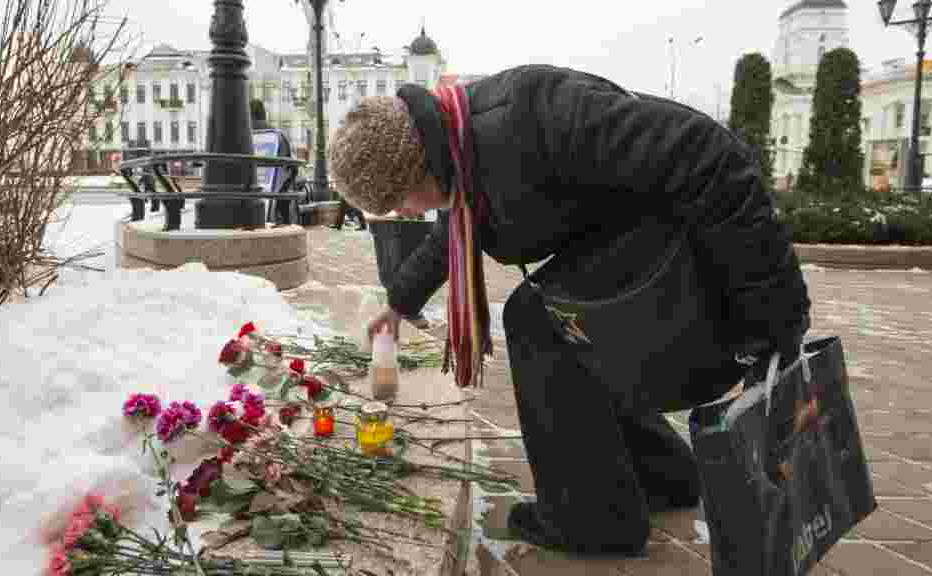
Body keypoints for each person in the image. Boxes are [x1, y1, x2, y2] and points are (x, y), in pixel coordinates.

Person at [329, 64, 811, 557]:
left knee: (538, 325)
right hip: (634, 240)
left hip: (690, 257)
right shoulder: (462, 153)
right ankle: (663, 478)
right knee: (554, 320)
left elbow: (707, 154)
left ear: (419, 165)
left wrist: (772, 317)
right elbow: (452, 231)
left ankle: (591, 522)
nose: (406, 213)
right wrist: (398, 303)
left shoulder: (535, 115)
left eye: (399, 200)